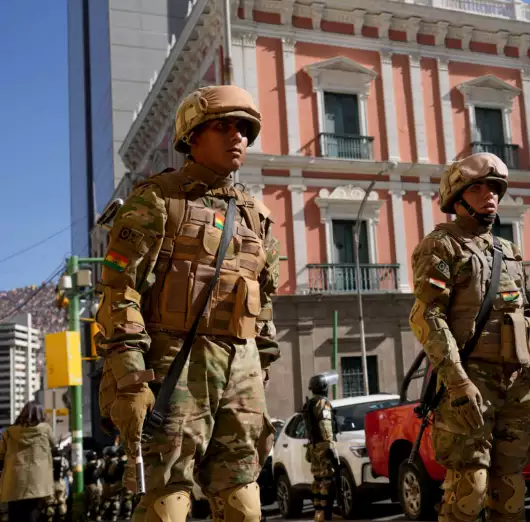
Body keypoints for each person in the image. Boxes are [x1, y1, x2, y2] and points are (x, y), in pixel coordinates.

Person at [95, 84, 281, 522]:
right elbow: (120, 290)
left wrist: (261, 365)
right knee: (168, 502)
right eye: (224, 126)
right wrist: (130, 377)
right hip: (175, 364)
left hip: (240, 369)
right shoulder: (158, 199)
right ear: (193, 136)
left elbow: (263, 299)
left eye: (244, 129)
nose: (237, 136)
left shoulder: (256, 215)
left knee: (243, 502)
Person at [409, 153, 530, 522]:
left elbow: (528, 317)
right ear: (457, 198)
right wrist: (457, 381)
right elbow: (428, 315)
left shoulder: (509, 252)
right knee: (469, 490)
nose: (489, 194)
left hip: (517, 384)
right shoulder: (441, 245)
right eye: (478, 188)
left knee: (512, 491)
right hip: (471, 382)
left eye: (494, 188)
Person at [0, 401, 55, 522]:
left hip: (13, 482)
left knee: (15, 515)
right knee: (33, 514)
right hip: (38, 483)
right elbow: (54, 446)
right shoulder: (45, 430)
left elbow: (1, 454)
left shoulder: (9, 432)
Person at [301, 372, 339, 522]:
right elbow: (325, 425)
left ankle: (319, 513)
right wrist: (331, 447)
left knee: (317, 480)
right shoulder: (323, 403)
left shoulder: (309, 404)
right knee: (327, 481)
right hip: (323, 446)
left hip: (313, 447)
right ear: (323, 388)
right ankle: (326, 514)